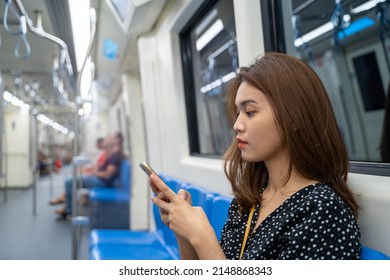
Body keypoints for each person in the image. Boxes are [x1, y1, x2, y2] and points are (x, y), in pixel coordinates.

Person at [149, 52, 362, 260]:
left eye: (250, 112)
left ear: (294, 117)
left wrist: (202, 237)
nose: (237, 125)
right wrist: (185, 233)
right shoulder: (249, 201)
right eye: (238, 113)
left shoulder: (323, 212)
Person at [53, 132, 124, 219]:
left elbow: (107, 175)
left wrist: (94, 173)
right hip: (99, 178)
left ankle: (69, 210)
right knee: (71, 179)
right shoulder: (111, 153)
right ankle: (67, 205)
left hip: (102, 182)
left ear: (118, 140)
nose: (110, 139)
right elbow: (100, 166)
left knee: (70, 182)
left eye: (112, 138)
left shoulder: (115, 155)